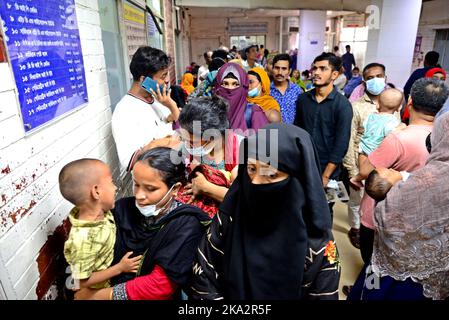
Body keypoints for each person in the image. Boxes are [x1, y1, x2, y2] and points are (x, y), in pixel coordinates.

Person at [190, 123, 340, 300]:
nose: (255, 183)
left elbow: (323, 295)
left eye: (271, 175)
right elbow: (204, 273)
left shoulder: (318, 241)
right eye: (251, 169)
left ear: (298, 179)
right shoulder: (230, 217)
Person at [74, 147, 210, 300]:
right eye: (136, 184)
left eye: (150, 189)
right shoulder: (122, 208)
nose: (139, 196)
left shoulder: (186, 225)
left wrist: (97, 296)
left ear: (175, 189)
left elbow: (159, 285)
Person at [349, 111, 449, 300]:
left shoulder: (418, 182)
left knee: (373, 287)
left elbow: (386, 218)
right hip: (439, 281)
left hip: (398, 276)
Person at [350, 78, 448, 267]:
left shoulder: (399, 138)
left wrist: (364, 148)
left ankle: (367, 293)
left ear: (409, 101)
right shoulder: (443, 136)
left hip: (382, 212)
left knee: (373, 263)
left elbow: (364, 170)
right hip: (418, 216)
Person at [60, 159, 142, 290]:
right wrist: (119, 268)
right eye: (111, 182)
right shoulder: (83, 240)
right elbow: (79, 282)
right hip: (99, 289)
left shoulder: (102, 212)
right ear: (96, 192)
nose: (115, 188)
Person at [343, 62, 390, 249]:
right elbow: (350, 138)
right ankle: (355, 229)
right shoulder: (356, 107)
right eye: (370, 78)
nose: (375, 81)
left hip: (386, 165)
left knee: (381, 201)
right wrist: (351, 169)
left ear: (385, 78)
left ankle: (375, 230)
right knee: (357, 200)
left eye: (379, 76)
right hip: (360, 162)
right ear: (364, 80)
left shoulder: (394, 102)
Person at [111, 47, 180, 171]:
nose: (167, 81)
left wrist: (171, 106)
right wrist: (161, 143)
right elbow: (128, 162)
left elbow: (179, 126)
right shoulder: (125, 111)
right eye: (163, 76)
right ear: (144, 80)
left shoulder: (157, 101)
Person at [294, 53, 353, 195]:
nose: (316, 72)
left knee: (324, 212)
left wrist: (326, 176)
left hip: (327, 169)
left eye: (322, 69)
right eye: (315, 68)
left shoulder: (342, 105)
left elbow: (341, 144)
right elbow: (297, 132)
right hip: (302, 165)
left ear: (334, 75)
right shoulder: (303, 99)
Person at [176, 96, 242, 216]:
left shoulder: (242, 151)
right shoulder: (185, 148)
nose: (188, 145)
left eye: (192, 142)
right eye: (184, 139)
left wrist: (205, 187)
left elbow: (244, 201)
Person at [214, 62, 268, 133]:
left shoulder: (254, 113)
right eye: (225, 84)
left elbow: (263, 142)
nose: (230, 89)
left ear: (244, 87)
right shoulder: (210, 112)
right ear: (218, 86)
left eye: (235, 84)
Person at [358, 89, 404, 156]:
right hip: (373, 152)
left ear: (378, 104)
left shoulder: (372, 115)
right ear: (399, 108)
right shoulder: (392, 121)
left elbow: (365, 126)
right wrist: (401, 127)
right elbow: (392, 134)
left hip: (362, 147)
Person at [270, 54, 303, 124]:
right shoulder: (266, 90)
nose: (280, 72)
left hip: (292, 133)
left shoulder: (297, 90)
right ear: (272, 69)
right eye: (276, 68)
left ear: (289, 71)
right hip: (272, 133)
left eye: (284, 69)